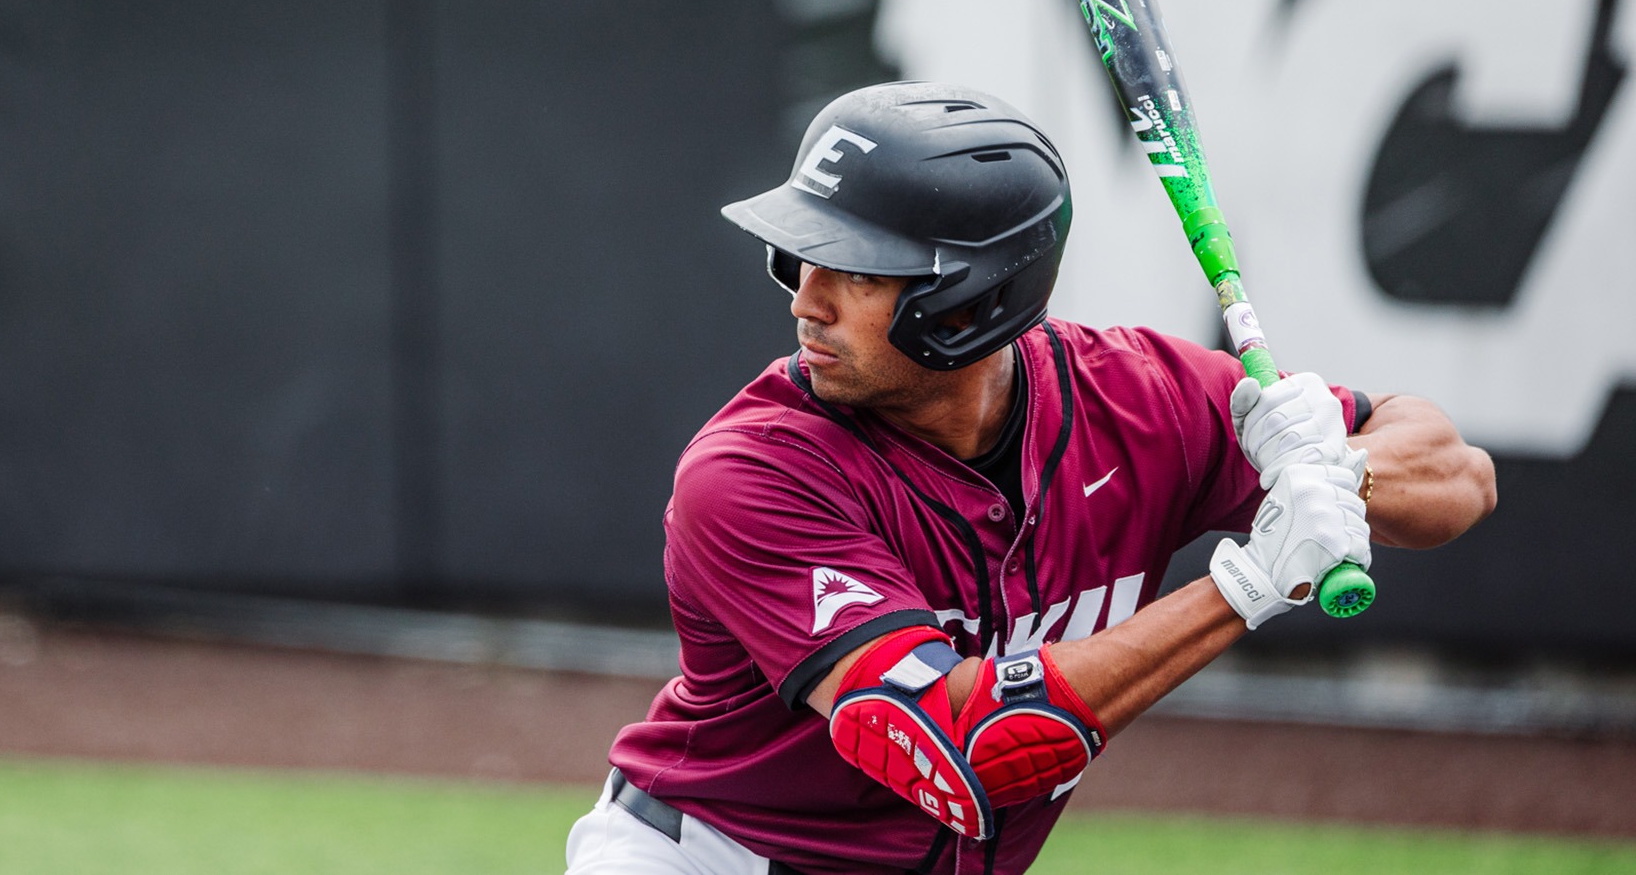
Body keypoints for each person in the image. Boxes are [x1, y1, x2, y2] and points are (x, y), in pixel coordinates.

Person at [564, 81, 1496, 875]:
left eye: (856, 267)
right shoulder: (753, 472)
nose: (806, 296)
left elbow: (1459, 477)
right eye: (805, 253)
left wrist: (1335, 472)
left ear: (967, 300)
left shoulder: (1140, 400)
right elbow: (963, 749)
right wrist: (1249, 583)